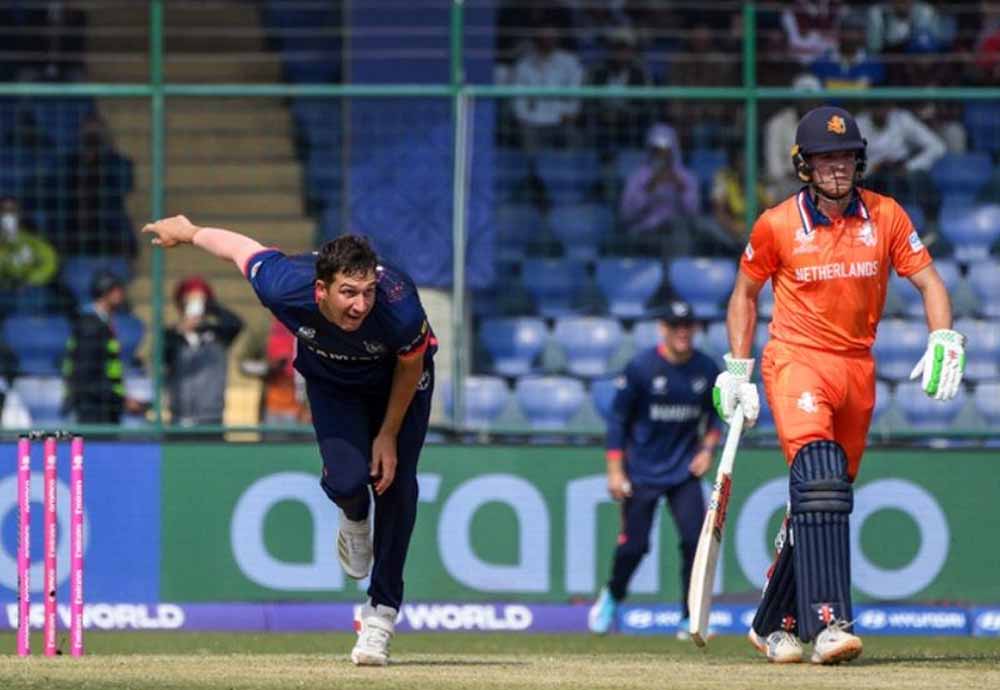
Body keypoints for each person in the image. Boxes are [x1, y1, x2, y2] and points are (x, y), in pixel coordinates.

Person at [713, 105, 964, 664]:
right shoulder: (777, 224)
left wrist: (944, 337)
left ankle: (772, 623)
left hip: (856, 368)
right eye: (826, 158)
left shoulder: (886, 215)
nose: (838, 167)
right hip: (797, 359)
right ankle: (829, 623)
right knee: (821, 478)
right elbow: (743, 295)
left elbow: (929, 281)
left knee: (824, 498)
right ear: (804, 164)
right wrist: (736, 369)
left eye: (846, 156)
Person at [141, 215, 436, 667]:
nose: (360, 305)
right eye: (348, 293)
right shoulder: (283, 286)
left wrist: (388, 434)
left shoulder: (399, 307)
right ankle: (354, 517)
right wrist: (190, 232)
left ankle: (380, 615)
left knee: (395, 487)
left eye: (367, 292)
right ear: (321, 290)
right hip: (333, 383)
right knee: (347, 481)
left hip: (399, 384)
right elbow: (241, 248)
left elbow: (412, 365)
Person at [587, 300, 721, 637]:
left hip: (683, 472)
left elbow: (717, 416)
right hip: (641, 472)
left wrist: (707, 449)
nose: (682, 332)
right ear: (663, 329)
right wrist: (615, 471)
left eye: (688, 326)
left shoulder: (706, 369)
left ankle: (690, 618)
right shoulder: (641, 368)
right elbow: (618, 422)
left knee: (695, 542)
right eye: (675, 326)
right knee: (634, 546)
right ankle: (612, 595)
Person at [62, 270, 145, 424]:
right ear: (105, 292)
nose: (121, 294)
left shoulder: (101, 323)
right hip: (93, 410)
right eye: (116, 290)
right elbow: (87, 376)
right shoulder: (90, 326)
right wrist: (121, 401)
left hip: (104, 407)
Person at [164, 275, 244, 426]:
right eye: (189, 300)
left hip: (211, 417)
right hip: (180, 417)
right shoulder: (171, 335)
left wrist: (211, 306)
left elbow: (236, 324)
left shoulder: (218, 334)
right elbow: (164, 357)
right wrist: (181, 331)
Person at [617, 123, 700, 259]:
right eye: (657, 150)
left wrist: (681, 189)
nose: (661, 155)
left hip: (677, 235)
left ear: (673, 150)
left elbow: (694, 213)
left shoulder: (686, 177)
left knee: (680, 232)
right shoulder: (637, 177)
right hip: (644, 234)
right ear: (650, 150)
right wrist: (648, 189)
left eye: (665, 150)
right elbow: (626, 214)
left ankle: (678, 270)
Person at [511, 26, 584, 150]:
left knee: (573, 138)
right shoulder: (523, 64)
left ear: (556, 40)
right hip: (532, 119)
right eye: (542, 38)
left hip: (562, 118)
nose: (546, 41)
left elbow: (576, 90)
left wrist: (570, 113)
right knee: (526, 139)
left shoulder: (569, 62)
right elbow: (518, 97)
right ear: (536, 40)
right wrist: (523, 116)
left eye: (550, 38)